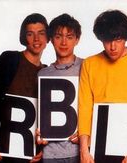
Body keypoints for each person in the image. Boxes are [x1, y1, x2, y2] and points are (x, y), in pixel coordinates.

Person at [78, 10, 127, 163]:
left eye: (118, 40)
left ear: (125, 38)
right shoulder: (89, 64)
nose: (113, 46)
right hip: (95, 148)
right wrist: (84, 150)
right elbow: (85, 108)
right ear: (101, 39)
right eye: (107, 40)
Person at [0, 13, 49, 163]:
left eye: (41, 33)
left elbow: (46, 116)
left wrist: (42, 150)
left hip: (32, 151)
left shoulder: (47, 72)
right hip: (8, 147)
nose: (36, 39)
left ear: (48, 37)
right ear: (24, 37)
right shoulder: (9, 60)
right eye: (30, 34)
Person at [37, 13, 82, 163]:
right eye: (58, 36)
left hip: (80, 151)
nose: (64, 42)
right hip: (50, 154)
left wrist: (87, 132)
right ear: (50, 39)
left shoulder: (88, 67)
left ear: (77, 39)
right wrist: (37, 133)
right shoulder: (43, 74)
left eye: (69, 37)